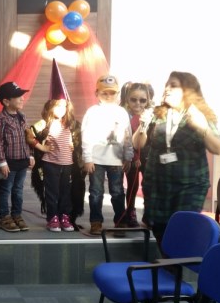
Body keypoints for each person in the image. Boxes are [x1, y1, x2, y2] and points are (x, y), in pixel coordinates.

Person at [134, 72, 220, 245]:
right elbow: (138, 143)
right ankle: (166, 261)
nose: (167, 89)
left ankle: (177, 261)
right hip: (158, 184)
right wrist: (142, 126)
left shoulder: (199, 114)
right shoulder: (157, 114)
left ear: (187, 90)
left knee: (182, 229)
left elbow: (217, 148)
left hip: (189, 184)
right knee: (160, 231)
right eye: (166, 85)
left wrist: (202, 127)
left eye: (173, 86)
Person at [27, 61, 79, 232]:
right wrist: (41, 148)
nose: (61, 109)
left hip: (67, 164)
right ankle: (52, 217)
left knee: (65, 192)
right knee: (52, 192)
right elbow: (29, 134)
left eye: (64, 106)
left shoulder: (70, 124)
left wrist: (72, 144)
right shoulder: (45, 123)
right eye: (58, 106)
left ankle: (65, 216)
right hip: (51, 164)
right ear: (50, 106)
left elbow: (74, 138)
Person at [81, 75, 134, 236]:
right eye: (104, 93)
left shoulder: (122, 112)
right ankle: (96, 221)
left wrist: (128, 156)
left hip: (116, 160)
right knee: (96, 192)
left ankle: (120, 221)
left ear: (117, 94)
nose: (108, 96)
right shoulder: (92, 112)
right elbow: (86, 136)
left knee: (117, 192)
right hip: (96, 160)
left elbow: (128, 136)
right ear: (96, 93)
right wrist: (87, 158)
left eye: (112, 93)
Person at [0, 82, 34, 232]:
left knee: (18, 189)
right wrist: (2, 162)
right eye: (18, 97)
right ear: (6, 101)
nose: (22, 99)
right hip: (8, 163)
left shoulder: (22, 116)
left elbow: (27, 138)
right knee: (6, 189)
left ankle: (16, 214)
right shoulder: (1, 119)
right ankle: (4, 217)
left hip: (22, 160)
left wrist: (30, 155)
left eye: (22, 96)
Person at [121, 82, 155, 228]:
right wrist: (133, 157)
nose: (138, 104)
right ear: (127, 99)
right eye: (133, 100)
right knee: (132, 186)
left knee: (148, 186)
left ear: (148, 100)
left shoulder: (152, 116)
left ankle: (149, 214)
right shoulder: (124, 116)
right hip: (131, 156)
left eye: (142, 100)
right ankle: (130, 212)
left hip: (148, 156)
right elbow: (125, 139)